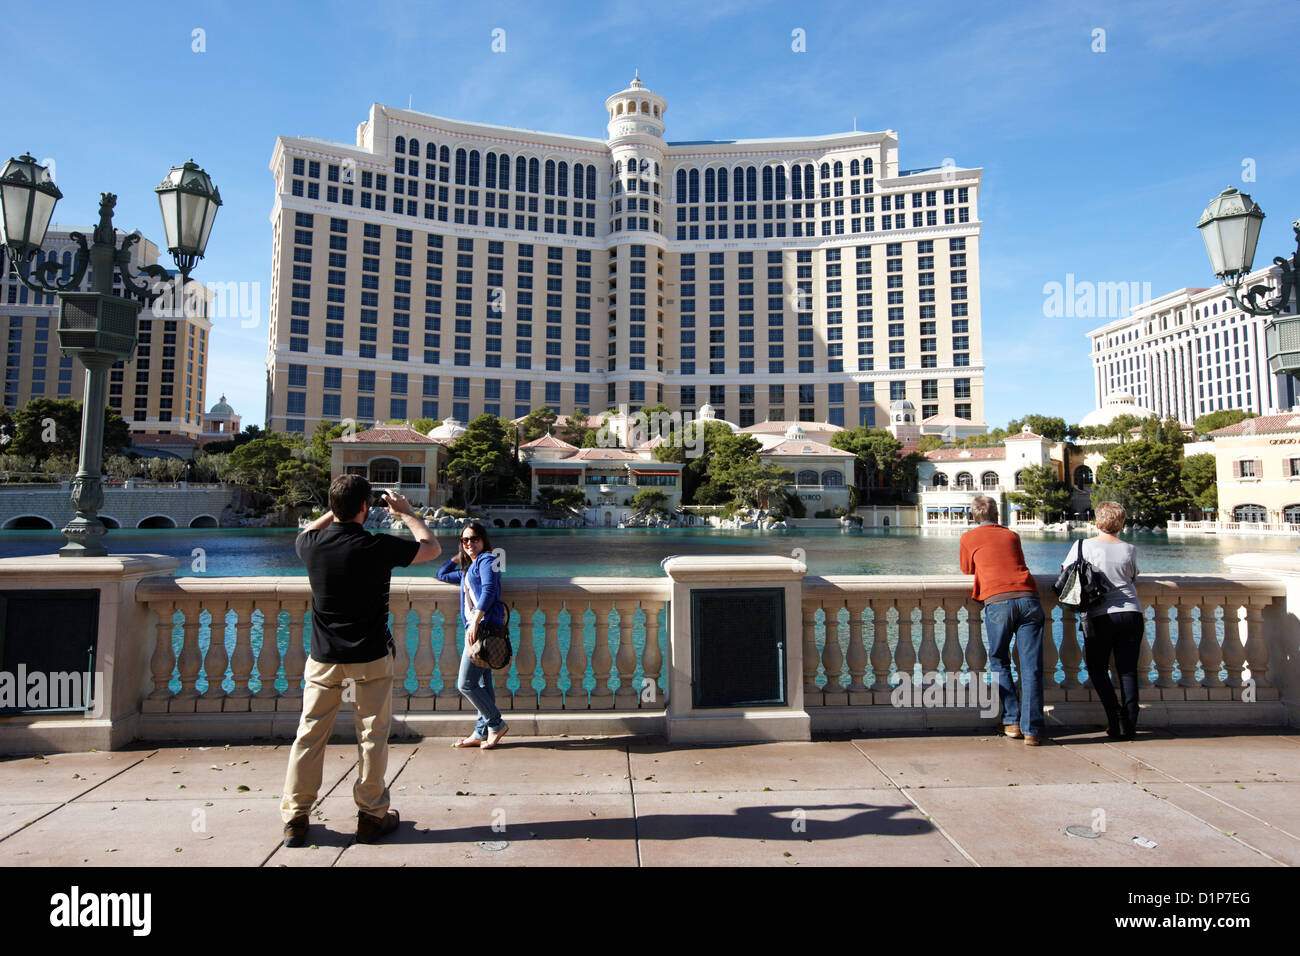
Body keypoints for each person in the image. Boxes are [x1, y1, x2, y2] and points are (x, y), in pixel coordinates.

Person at [280, 476, 441, 848]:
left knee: (309, 735)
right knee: (372, 736)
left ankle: (296, 818)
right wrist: (407, 513)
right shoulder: (377, 546)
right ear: (366, 509)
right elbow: (430, 548)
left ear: (334, 508)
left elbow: (306, 533)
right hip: (370, 655)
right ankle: (371, 816)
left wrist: (337, 509)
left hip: (324, 658)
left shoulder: (311, 546)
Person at [959, 495, 1046, 745]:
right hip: (1028, 598)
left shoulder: (968, 538)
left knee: (999, 660)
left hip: (998, 600)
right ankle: (1033, 730)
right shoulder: (1011, 535)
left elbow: (967, 570)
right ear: (997, 514)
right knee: (1031, 667)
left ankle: (1011, 721)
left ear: (975, 517)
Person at [1063, 501, 1142, 740]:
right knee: (1127, 670)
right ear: (1121, 524)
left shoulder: (1082, 546)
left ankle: (1115, 717)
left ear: (1096, 523)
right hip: (1131, 612)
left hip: (1099, 616)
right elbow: (1132, 576)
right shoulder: (1129, 549)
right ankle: (1129, 723)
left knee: (1097, 669)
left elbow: (1065, 573)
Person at [438, 522, 510, 750]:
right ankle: (481, 732)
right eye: (464, 540)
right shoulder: (469, 569)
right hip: (476, 628)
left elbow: (489, 590)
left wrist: (476, 621)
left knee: (465, 683)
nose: (470, 543)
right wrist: (460, 556)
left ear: (484, 540)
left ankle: (496, 724)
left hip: (483, 628)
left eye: (474, 539)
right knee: (482, 682)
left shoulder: (487, 561)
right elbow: (441, 573)